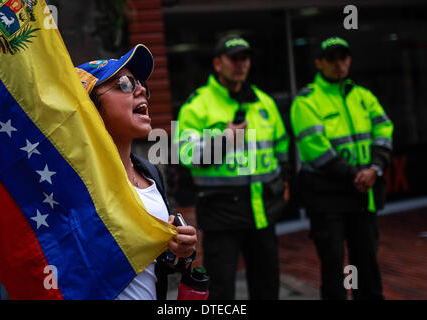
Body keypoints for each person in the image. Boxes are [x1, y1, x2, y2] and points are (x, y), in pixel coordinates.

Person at [75, 44, 197, 300]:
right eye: (125, 84)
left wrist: (177, 251)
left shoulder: (150, 171)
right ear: (90, 108)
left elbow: (151, 265)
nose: (142, 89)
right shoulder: (74, 179)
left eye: (141, 85)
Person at [175, 35, 290, 300]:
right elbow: (185, 154)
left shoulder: (264, 102)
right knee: (220, 291)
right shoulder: (197, 105)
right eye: (234, 58)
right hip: (222, 214)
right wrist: (224, 141)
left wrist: (284, 182)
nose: (241, 64)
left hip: (263, 212)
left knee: (267, 286)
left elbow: (281, 146)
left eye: (245, 58)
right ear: (217, 63)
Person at [290, 36, 394, 300]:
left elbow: (384, 128)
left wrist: (375, 167)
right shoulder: (306, 100)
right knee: (334, 267)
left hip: (362, 194)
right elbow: (315, 147)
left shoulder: (363, 96)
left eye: (343, 58)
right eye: (332, 59)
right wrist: (356, 174)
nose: (339, 64)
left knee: (366, 263)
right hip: (328, 198)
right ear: (319, 63)